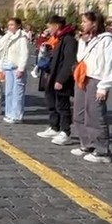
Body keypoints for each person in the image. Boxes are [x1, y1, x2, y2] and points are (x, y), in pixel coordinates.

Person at [71, 11, 112, 163]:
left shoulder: (106, 40)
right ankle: (87, 144)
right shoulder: (87, 39)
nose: (82, 24)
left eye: (85, 21)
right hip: (83, 78)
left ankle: (102, 151)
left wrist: (103, 86)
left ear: (94, 23)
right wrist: (83, 41)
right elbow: (80, 58)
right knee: (79, 113)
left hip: (96, 80)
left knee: (95, 115)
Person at [37, 15, 78, 145]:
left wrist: (61, 79)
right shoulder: (57, 38)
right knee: (52, 103)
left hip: (61, 78)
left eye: (50, 25)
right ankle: (54, 127)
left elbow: (69, 62)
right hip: (52, 76)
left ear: (57, 25)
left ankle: (65, 132)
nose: (48, 28)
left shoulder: (69, 40)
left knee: (63, 105)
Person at [0, 18, 30, 124]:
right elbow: (2, 49)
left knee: (18, 92)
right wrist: (0, 68)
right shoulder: (8, 37)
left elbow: (24, 54)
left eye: (12, 25)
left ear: (18, 25)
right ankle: (9, 113)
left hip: (16, 68)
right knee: (9, 92)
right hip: (8, 67)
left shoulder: (22, 37)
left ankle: (16, 115)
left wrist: (21, 68)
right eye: (9, 25)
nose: (10, 27)